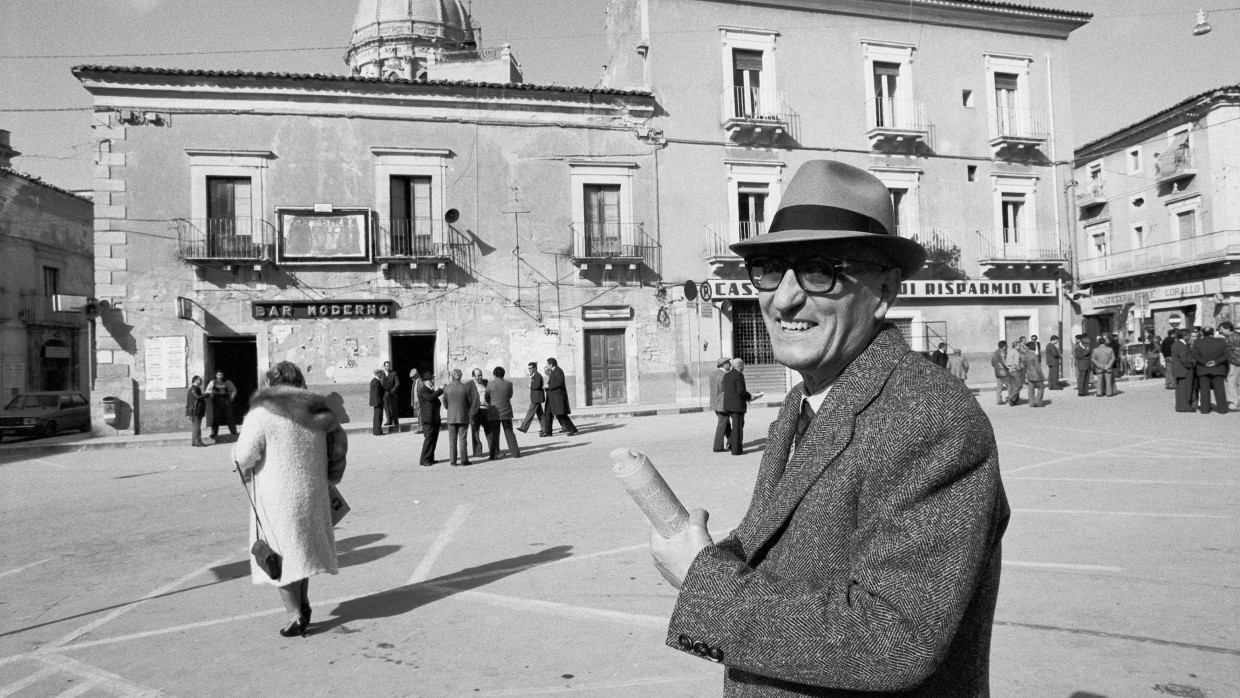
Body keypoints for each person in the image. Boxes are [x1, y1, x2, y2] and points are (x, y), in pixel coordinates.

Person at [650, 160, 1008, 696]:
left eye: (820, 271)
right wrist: (710, 551)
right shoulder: (803, 399)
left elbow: (892, 639)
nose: (784, 297)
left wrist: (702, 581)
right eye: (771, 267)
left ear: (884, 290)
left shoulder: (932, 421)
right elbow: (790, 552)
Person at [232, 361, 347, 638]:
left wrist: (235, 455)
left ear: (270, 383)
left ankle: (295, 616)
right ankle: (303, 606)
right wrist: (330, 475)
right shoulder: (319, 413)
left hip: (277, 497)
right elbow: (339, 447)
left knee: (279, 558)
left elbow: (245, 456)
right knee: (301, 552)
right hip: (313, 491)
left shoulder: (260, 415)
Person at [442, 369, 478, 466]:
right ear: (461, 376)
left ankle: (453, 460)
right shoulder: (465, 388)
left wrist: (450, 409)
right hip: (463, 416)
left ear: (452, 377)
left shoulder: (447, 388)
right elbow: (469, 402)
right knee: (463, 439)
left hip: (451, 417)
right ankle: (464, 460)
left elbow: (444, 402)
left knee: (452, 439)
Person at [485, 366, 521, 459]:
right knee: (509, 432)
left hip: (494, 412)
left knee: (494, 433)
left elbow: (486, 397)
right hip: (506, 411)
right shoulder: (509, 384)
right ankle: (515, 453)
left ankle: (494, 455)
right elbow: (509, 395)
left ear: (494, 375)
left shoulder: (490, 385)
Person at [1192, 326, 1229, 414]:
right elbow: (1227, 354)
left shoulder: (1197, 342)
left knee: (1204, 390)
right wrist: (1216, 362)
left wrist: (1205, 362)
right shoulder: (1221, 341)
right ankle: (1222, 409)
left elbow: (1195, 355)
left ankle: (1205, 409)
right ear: (1213, 333)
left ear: (1202, 333)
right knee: (1220, 389)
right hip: (1218, 368)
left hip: (1203, 368)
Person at [721, 357, 752, 456]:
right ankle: (736, 450)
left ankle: (731, 444)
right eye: (743, 365)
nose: (743, 367)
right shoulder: (739, 375)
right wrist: (750, 396)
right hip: (737, 406)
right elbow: (740, 391)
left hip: (728, 405)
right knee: (738, 428)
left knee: (736, 426)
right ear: (740, 365)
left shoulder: (727, 375)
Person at [542, 358, 579, 436]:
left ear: (551, 364)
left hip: (557, 397)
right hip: (551, 397)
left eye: (547, 364)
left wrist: (548, 386)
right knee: (548, 414)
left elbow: (559, 383)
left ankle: (572, 429)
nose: (547, 365)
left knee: (561, 415)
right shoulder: (553, 371)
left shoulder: (558, 371)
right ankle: (547, 432)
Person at [415, 372, 442, 466]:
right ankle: (424, 459)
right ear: (425, 381)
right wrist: (440, 390)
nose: (432, 381)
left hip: (434, 419)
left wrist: (441, 390)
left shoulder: (430, 390)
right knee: (428, 439)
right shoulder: (423, 390)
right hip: (428, 419)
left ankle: (430, 458)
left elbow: (434, 397)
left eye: (432, 379)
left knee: (433, 439)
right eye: (430, 379)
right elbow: (430, 398)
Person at [709, 356, 732, 452]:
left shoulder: (713, 374)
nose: (730, 365)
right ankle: (717, 447)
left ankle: (732, 442)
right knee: (722, 425)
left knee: (726, 425)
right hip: (723, 404)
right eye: (728, 363)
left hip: (715, 403)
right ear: (724, 364)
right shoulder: (725, 375)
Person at [206, 370, 238, 438]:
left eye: (221, 374)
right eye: (218, 375)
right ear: (216, 375)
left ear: (223, 375)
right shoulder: (212, 382)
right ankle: (214, 433)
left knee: (229, 416)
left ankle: (233, 431)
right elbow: (207, 390)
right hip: (216, 400)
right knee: (216, 417)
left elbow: (234, 390)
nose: (220, 376)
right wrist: (212, 392)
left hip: (226, 400)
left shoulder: (227, 382)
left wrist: (231, 398)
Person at [517, 362, 546, 435]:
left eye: (530, 368)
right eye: (528, 368)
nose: (529, 370)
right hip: (536, 398)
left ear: (535, 368)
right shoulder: (535, 375)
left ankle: (523, 427)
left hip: (536, 398)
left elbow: (537, 386)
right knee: (540, 414)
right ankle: (545, 428)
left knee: (530, 413)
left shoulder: (537, 376)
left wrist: (530, 386)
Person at [1170, 329, 1194, 412]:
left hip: (1179, 370)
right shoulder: (1181, 345)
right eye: (1189, 335)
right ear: (1185, 335)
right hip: (1184, 370)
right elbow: (1184, 359)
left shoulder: (1177, 344)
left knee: (1180, 389)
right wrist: (1190, 365)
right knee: (1185, 389)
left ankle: (1181, 406)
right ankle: (1184, 406)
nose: (1190, 337)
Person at [468, 367, 489, 457]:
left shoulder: (485, 382)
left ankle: (493, 450)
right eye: (478, 376)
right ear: (473, 376)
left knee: (489, 430)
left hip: (486, 410)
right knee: (475, 432)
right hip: (475, 411)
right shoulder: (469, 385)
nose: (480, 377)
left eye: (481, 375)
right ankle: (478, 452)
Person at [1221, 321, 1240, 410]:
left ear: (1227, 329)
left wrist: (1231, 361)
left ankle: (1233, 403)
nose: (1220, 331)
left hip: (1234, 363)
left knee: (1231, 381)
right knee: (1236, 383)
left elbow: (1235, 352)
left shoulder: (1232, 338)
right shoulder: (1236, 335)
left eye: (1221, 329)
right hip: (1236, 362)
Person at [1022, 340, 1046, 407]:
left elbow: (1024, 366)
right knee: (1041, 387)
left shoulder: (1025, 355)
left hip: (1029, 374)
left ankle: (1031, 403)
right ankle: (1038, 401)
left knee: (1031, 389)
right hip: (1036, 374)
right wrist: (1042, 376)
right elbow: (1038, 367)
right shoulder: (1035, 355)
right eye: (1035, 346)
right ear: (1033, 347)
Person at [1005, 336, 1026, 406]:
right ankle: (1010, 398)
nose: (1020, 347)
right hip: (1015, 371)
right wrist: (1020, 368)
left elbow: (1006, 361)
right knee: (1019, 385)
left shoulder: (1010, 351)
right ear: (1016, 346)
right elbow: (1017, 362)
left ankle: (1014, 401)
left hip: (1010, 371)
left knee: (1014, 385)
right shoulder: (1016, 353)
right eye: (1019, 345)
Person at [186, 375, 207, 447]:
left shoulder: (196, 388)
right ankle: (198, 442)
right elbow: (198, 397)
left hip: (197, 410)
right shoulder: (193, 389)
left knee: (195, 427)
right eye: (200, 379)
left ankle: (194, 442)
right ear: (196, 380)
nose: (201, 380)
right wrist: (208, 394)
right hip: (195, 410)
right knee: (197, 427)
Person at [990, 340, 1011, 405]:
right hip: (1004, 372)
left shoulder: (994, 353)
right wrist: (1009, 368)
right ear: (1004, 346)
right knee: (1010, 385)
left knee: (999, 387)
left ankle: (999, 400)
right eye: (1006, 345)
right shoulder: (1003, 352)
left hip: (997, 372)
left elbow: (992, 363)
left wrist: (997, 368)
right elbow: (1005, 362)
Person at [381, 361, 399, 432]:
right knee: (386, 407)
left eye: (389, 366)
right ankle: (389, 420)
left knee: (393, 407)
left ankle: (395, 421)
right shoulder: (381, 374)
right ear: (384, 366)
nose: (388, 367)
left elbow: (397, 383)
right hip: (385, 392)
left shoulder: (393, 373)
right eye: (387, 366)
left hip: (392, 392)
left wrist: (393, 390)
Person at [368, 369, 386, 436]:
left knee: (377, 417)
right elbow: (376, 393)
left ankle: (377, 431)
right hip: (378, 402)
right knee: (378, 417)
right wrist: (378, 402)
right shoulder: (377, 381)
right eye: (381, 373)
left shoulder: (373, 381)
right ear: (378, 374)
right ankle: (378, 432)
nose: (382, 375)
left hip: (376, 402)